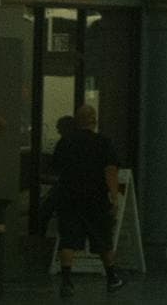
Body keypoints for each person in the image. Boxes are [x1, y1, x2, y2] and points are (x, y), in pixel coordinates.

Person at [52, 104, 124, 297]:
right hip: (95, 199)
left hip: (69, 197)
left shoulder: (65, 142)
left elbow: (56, 169)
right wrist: (114, 197)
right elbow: (110, 170)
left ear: (77, 121)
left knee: (68, 240)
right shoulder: (103, 142)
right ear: (95, 121)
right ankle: (112, 277)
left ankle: (67, 281)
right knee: (103, 240)